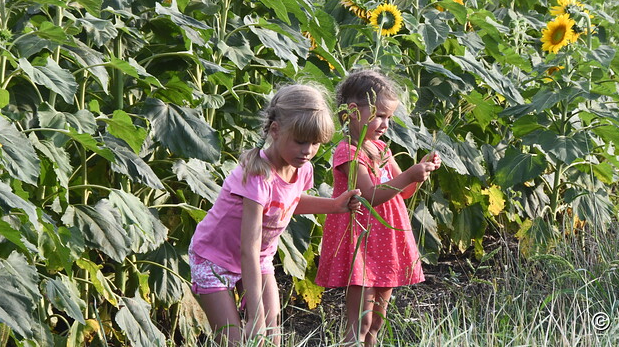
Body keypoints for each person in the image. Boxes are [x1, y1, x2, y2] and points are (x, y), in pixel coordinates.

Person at [189, 84, 361, 347]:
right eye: (301, 141)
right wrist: (254, 313)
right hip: (215, 259)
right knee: (232, 341)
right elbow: (248, 246)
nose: (308, 150)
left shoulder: (301, 168)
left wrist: (335, 205)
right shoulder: (258, 176)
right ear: (275, 131)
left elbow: (289, 202)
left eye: (315, 143)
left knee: (270, 336)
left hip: (259, 259)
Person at [315, 69, 441, 347]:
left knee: (378, 321)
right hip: (360, 241)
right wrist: (409, 175)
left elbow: (404, 192)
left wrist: (420, 172)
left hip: (385, 240)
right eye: (379, 115)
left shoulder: (382, 149)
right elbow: (368, 196)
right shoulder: (348, 152)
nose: (385, 124)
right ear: (352, 111)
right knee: (360, 320)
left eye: (389, 117)